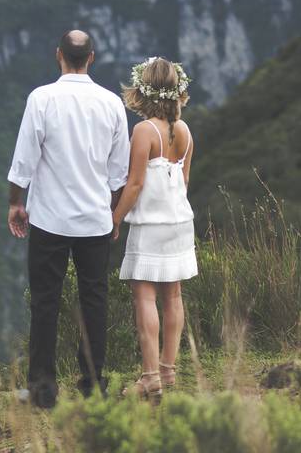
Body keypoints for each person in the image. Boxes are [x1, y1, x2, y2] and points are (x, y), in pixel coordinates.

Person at [7, 30, 130, 408]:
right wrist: (113, 213)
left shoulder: (41, 99)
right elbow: (118, 172)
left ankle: (43, 390)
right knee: (94, 299)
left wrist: (16, 203)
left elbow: (24, 159)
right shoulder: (111, 103)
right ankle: (93, 384)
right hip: (94, 220)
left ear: (58, 55)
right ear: (91, 57)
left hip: (49, 220)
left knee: (46, 301)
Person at [111, 57, 198, 404]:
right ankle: (168, 370)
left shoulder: (145, 131)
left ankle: (149, 378)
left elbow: (134, 185)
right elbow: (185, 180)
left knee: (144, 297)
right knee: (173, 296)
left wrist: (114, 219)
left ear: (143, 89)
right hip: (179, 222)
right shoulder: (186, 131)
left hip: (149, 225)